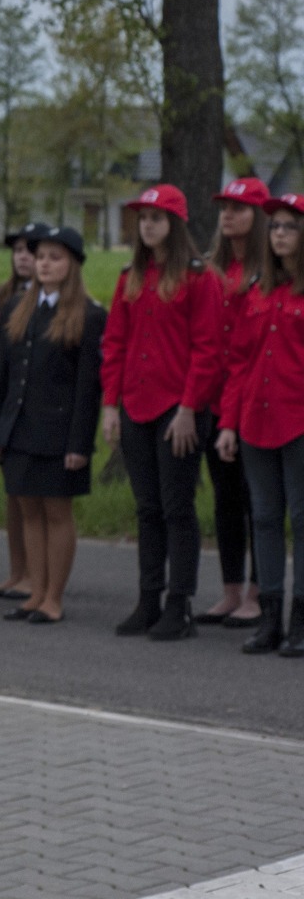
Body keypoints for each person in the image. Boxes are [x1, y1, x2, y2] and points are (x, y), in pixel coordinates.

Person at [101, 184, 224, 641]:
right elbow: (114, 344)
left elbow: (208, 349)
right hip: (136, 405)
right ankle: (148, 599)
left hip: (179, 410)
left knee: (177, 508)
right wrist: (110, 406)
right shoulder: (129, 277)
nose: (147, 225)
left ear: (175, 223)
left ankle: (180, 604)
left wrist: (190, 408)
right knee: (147, 507)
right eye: (142, 218)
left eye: (156, 217)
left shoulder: (198, 278)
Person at [0, 224, 104, 625]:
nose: (45, 264)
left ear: (72, 264)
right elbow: (3, 378)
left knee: (56, 513)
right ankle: (35, 593)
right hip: (19, 429)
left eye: (55, 257)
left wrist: (79, 444)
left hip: (58, 433)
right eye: (40, 257)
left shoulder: (88, 316)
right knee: (28, 512)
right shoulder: (19, 309)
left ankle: (53, 597)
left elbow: (87, 389)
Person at [217, 191, 304, 655]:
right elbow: (238, 363)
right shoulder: (257, 291)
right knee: (266, 519)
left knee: (302, 518)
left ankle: (300, 619)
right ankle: (270, 616)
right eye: (274, 227)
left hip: (298, 420)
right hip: (255, 420)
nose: (279, 234)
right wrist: (228, 423)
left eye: (289, 226)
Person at [199, 177, 269, 627]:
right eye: (225, 208)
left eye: (239, 209)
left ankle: (261, 591)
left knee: (257, 500)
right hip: (214, 398)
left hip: (253, 400)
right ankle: (230, 589)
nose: (228, 215)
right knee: (225, 498)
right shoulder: (211, 271)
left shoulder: (270, 271)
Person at [0, 221, 44, 601]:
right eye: (17, 250)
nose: (22, 257)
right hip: (7, 404)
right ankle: (16, 570)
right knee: (12, 495)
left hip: (38, 409)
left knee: (34, 498)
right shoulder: (2, 297)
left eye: (29, 250)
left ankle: (35, 576)